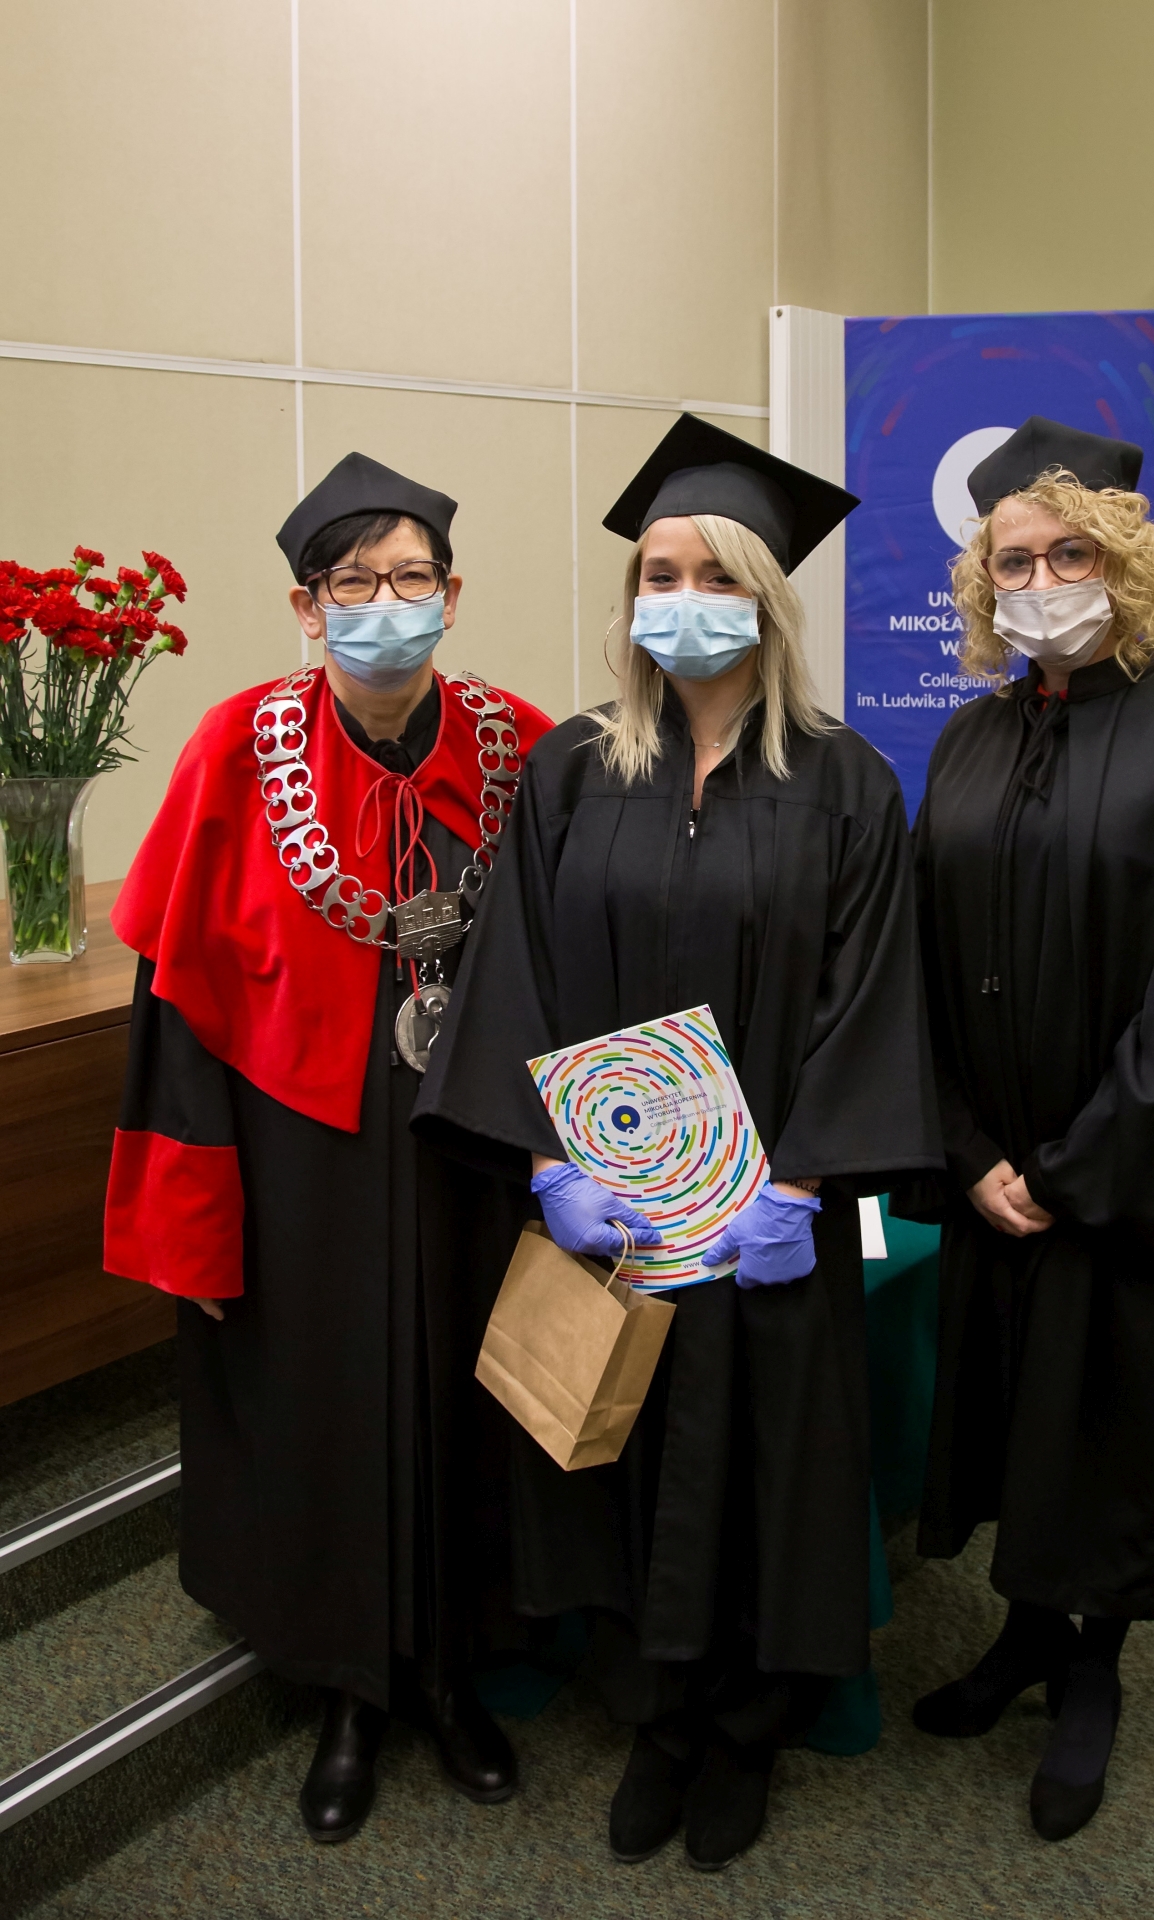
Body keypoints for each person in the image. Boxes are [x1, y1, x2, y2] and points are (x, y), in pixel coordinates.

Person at [411, 415, 943, 1871]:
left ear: (765, 598)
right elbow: (517, 970)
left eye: (712, 573)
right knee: (626, 1446)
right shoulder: (573, 770)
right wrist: (550, 1165)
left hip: (768, 1208)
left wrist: (802, 1182)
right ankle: (656, 1716)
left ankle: (749, 1727)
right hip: (622, 1210)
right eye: (658, 572)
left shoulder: (846, 782)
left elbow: (870, 993)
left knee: (765, 1451)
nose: (680, 596)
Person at [103, 452, 553, 1842]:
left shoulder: (523, 745)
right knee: (319, 1406)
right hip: (295, 1160)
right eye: (353, 583)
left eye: (411, 578)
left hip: (473, 1150)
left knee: (475, 1397)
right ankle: (350, 1689)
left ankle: (455, 1670)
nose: (384, 605)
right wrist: (192, 1219)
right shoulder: (238, 750)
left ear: (453, 595)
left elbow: (584, 957)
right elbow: (177, 1009)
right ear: (307, 607)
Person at [900, 417, 1154, 1841]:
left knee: (1115, 1411)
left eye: (1072, 555)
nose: (1044, 581)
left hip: (1119, 1173)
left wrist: (1072, 1168)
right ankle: (1022, 1634)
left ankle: (1094, 1664)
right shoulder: (969, 738)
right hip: (994, 1162)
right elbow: (920, 964)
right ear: (983, 583)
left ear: (1125, 566)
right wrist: (966, 1152)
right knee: (1012, 1405)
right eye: (1016, 561)